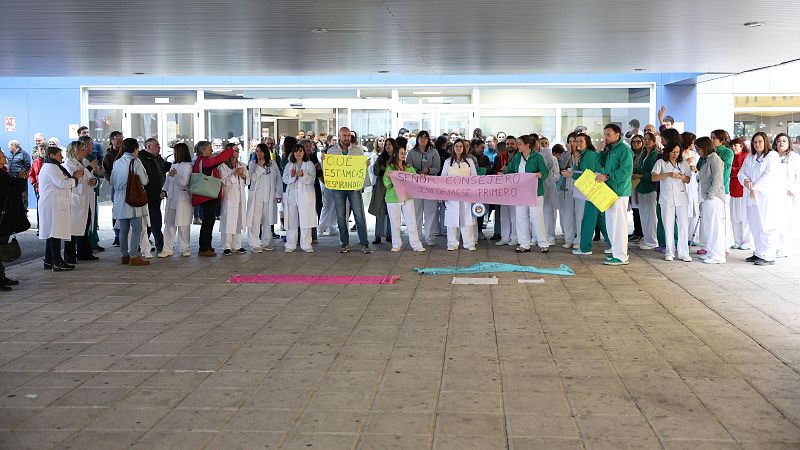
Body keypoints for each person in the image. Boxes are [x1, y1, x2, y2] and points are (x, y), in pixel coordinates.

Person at [323, 127, 371, 254]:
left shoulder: (358, 150)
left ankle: (365, 243)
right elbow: (327, 169)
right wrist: (324, 162)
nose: (346, 138)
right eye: (344, 135)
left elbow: (362, 169)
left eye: (348, 135)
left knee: (359, 215)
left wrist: (364, 170)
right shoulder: (331, 151)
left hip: (354, 187)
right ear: (339, 136)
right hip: (338, 188)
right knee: (340, 217)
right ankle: (344, 243)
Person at [39, 145, 83, 271]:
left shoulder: (52, 166)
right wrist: (75, 178)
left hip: (53, 203)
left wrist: (72, 179)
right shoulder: (51, 167)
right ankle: (57, 262)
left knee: (52, 232)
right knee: (55, 233)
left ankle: (49, 261)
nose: (62, 157)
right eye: (59, 155)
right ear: (52, 155)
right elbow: (62, 183)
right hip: (53, 204)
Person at [595, 124, 633, 265]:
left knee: (619, 225)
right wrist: (599, 152)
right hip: (609, 190)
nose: (605, 137)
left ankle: (621, 256)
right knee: (611, 224)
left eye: (608, 134)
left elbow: (626, 171)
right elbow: (599, 166)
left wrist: (608, 177)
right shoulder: (610, 149)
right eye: (604, 134)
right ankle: (616, 252)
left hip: (619, 191)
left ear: (617, 135)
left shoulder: (624, 149)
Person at [505, 134, 549, 253]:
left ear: (527, 145)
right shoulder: (517, 157)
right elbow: (510, 170)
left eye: (519, 144)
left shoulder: (537, 157)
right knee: (521, 217)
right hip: (520, 193)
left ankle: (543, 243)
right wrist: (503, 175)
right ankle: (524, 244)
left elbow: (545, 171)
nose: (517, 146)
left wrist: (540, 174)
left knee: (536, 217)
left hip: (535, 192)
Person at [651, 140, 692, 262]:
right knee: (668, 225)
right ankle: (669, 252)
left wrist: (682, 177)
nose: (675, 154)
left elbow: (688, 179)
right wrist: (668, 174)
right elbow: (654, 177)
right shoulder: (661, 162)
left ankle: (684, 252)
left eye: (677, 152)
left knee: (683, 225)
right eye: (673, 152)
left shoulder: (683, 162)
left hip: (681, 198)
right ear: (668, 151)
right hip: (666, 198)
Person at [111, 138, 150, 266]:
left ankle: (124, 255)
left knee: (123, 229)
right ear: (135, 149)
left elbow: (112, 181)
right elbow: (144, 181)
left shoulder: (117, 162)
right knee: (136, 228)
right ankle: (134, 256)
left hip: (119, 198)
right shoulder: (135, 161)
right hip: (133, 197)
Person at [191, 141, 234, 257]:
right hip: (207, 196)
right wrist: (230, 149)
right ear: (203, 150)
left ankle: (207, 245)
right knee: (208, 222)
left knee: (209, 221)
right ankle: (204, 248)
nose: (212, 150)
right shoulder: (204, 161)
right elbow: (219, 159)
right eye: (209, 148)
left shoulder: (201, 160)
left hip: (207, 195)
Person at [571, 133, 610, 255]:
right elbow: (581, 171)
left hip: (595, 190)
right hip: (593, 190)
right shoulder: (583, 155)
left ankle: (585, 248)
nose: (578, 143)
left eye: (581, 141)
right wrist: (576, 163)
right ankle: (614, 244)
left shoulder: (589, 155)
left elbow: (587, 175)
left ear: (587, 142)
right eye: (576, 141)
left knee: (588, 219)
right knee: (600, 220)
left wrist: (571, 174)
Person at [384, 141, 425, 252]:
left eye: (404, 153)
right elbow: (387, 184)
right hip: (393, 198)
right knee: (395, 223)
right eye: (401, 153)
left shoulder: (409, 167)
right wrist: (388, 177)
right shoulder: (390, 168)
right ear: (395, 154)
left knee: (411, 221)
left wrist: (421, 177)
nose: (404, 154)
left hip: (407, 197)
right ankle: (396, 244)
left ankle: (416, 244)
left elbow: (415, 180)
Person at [62, 141, 99, 264]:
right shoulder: (69, 163)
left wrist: (94, 181)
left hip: (87, 198)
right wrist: (89, 168)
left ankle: (85, 253)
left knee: (85, 225)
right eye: (82, 149)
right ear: (75, 151)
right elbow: (77, 177)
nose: (85, 151)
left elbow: (90, 176)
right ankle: (70, 256)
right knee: (72, 229)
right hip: (76, 199)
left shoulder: (85, 161)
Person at [0, 148, 31, 290]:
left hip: (5, 216)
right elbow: (11, 190)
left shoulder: (3, 172)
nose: (4, 156)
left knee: (2, 246)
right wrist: (20, 179)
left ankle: (2, 276)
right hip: (2, 217)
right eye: (2, 155)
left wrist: (19, 179)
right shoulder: (1, 175)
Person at [440, 138, 478, 251]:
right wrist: (442, 194)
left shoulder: (469, 162)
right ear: (453, 148)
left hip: (466, 195)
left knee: (466, 219)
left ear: (464, 148)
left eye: (461, 146)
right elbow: (443, 178)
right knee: (452, 219)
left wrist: (474, 193)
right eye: (456, 146)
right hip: (451, 196)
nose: (458, 148)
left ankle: (469, 243)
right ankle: (452, 243)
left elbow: (474, 178)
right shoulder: (448, 162)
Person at [695, 137, 727, 264]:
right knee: (709, 227)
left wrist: (710, 195)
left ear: (705, 147)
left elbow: (717, 180)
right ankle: (711, 252)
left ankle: (718, 255)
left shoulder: (715, 159)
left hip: (714, 198)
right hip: (708, 197)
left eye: (699, 148)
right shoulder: (707, 159)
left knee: (715, 227)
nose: (697, 151)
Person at [406, 130, 441, 246]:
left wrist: (428, 170)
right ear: (417, 139)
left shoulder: (434, 152)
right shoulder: (411, 153)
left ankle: (430, 238)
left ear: (428, 139)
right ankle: (417, 238)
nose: (423, 139)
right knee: (416, 213)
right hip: (415, 187)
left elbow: (437, 168)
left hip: (430, 186)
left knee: (431, 213)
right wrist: (417, 172)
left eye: (425, 137)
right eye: (421, 137)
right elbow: (408, 167)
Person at [246, 143, 282, 253]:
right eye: (257, 151)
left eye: (261, 151)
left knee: (268, 220)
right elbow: (252, 178)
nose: (259, 154)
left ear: (265, 152)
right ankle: (255, 244)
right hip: (257, 196)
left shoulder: (272, 164)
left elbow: (278, 179)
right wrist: (259, 166)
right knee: (255, 220)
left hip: (269, 196)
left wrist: (278, 194)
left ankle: (266, 242)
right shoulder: (253, 164)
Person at [159, 143, 193, 257]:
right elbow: (168, 179)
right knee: (169, 225)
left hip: (183, 198)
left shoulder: (188, 166)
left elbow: (184, 183)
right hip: (172, 198)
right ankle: (167, 249)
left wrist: (175, 175)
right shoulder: (174, 164)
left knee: (183, 225)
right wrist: (164, 190)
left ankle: (185, 249)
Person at [283, 143, 317, 253]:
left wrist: (303, 176)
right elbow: (285, 179)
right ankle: (290, 244)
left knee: (305, 220)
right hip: (292, 196)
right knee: (291, 220)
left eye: (300, 151)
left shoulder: (309, 164)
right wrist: (292, 176)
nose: (298, 153)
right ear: (293, 153)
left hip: (305, 196)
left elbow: (312, 180)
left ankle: (306, 244)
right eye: (296, 151)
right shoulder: (289, 165)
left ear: (304, 153)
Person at [138, 138, 168, 254]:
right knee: (153, 220)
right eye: (157, 145)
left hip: (158, 194)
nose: (159, 147)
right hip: (149, 195)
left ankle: (146, 244)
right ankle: (158, 245)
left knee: (153, 220)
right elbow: (146, 179)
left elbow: (164, 169)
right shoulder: (142, 159)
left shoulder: (158, 158)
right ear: (149, 147)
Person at [218, 143, 247, 255]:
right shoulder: (223, 166)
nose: (238, 152)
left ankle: (237, 245)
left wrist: (243, 176)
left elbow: (247, 180)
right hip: (229, 197)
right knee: (228, 220)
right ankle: (227, 246)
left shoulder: (241, 165)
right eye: (236, 150)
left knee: (238, 220)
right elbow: (223, 181)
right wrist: (235, 174)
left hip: (240, 196)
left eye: (238, 150)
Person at [773, 133, 799, 259]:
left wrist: (792, 190)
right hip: (773, 194)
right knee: (773, 222)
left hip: (787, 195)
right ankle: (774, 247)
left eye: (784, 141)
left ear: (789, 143)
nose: (781, 143)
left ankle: (783, 249)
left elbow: (798, 176)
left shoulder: (794, 157)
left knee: (785, 222)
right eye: (779, 141)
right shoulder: (772, 156)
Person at [633, 132, 660, 250]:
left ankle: (653, 241)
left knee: (651, 216)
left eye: (650, 139)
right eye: (646, 139)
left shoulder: (655, 155)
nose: (647, 141)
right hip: (641, 187)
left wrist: (641, 176)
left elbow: (654, 173)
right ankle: (647, 239)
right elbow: (640, 168)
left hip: (650, 188)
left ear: (654, 141)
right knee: (643, 215)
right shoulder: (643, 154)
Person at [556, 141, 581, 249]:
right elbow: (561, 166)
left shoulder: (583, 153)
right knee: (567, 214)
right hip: (566, 186)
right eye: (570, 141)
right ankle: (568, 239)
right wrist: (569, 152)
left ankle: (579, 239)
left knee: (579, 214)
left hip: (580, 185)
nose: (572, 143)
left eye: (575, 141)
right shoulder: (565, 154)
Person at [728, 138, 752, 251]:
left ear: (742, 146)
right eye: (732, 146)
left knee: (745, 218)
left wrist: (732, 171)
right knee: (735, 218)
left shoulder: (747, 156)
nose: (733, 147)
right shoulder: (731, 156)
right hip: (733, 191)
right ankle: (737, 241)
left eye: (735, 145)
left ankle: (746, 242)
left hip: (744, 191)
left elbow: (741, 172)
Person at [368, 136, 392, 245]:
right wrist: (384, 171)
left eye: (389, 144)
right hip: (381, 187)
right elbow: (375, 170)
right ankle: (378, 235)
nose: (387, 146)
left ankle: (390, 235)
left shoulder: (397, 157)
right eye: (386, 145)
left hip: (392, 188)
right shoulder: (381, 157)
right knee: (380, 211)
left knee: (392, 212)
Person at [494, 137, 517, 246]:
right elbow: (495, 170)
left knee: (514, 214)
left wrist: (507, 169)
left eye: (512, 144)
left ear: (516, 145)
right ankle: (504, 237)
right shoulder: (501, 156)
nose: (510, 146)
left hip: (515, 188)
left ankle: (514, 237)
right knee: (504, 214)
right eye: (508, 144)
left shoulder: (519, 156)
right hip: (503, 188)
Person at [103, 131, 124, 247]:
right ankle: (117, 235)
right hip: (116, 187)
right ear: (112, 140)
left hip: (127, 186)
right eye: (118, 138)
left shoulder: (125, 152)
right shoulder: (109, 155)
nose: (120, 140)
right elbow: (106, 172)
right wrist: (112, 181)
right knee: (117, 210)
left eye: (121, 138)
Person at [538, 137, 559, 246]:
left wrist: (550, 181)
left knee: (549, 212)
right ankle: (539, 236)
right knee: (539, 212)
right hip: (539, 187)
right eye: (542, 143)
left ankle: (550, 236)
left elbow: (556, 173)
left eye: (546, 143)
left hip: (550, 187)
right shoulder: (536, 157)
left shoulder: (553, 158)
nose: (544, 145)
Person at [628, 134, 645, 242]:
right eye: (634, 142)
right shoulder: (631, 153)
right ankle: (636, 232)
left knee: (639, 210)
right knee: (634, 209)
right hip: (632, 184)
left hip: (640, 183)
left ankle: (641, 234)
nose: (636, 144)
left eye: (639, 142)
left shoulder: (643, 155)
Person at [6, 140, 31, 210]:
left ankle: (24, 211)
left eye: (9, 145)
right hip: (11, 178)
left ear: (13, 146)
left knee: (23, 196)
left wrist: (23, 175)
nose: (8, 147)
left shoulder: (24, 154)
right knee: (12, 195)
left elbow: (28, 167)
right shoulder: (10, 154)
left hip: (20, 179)